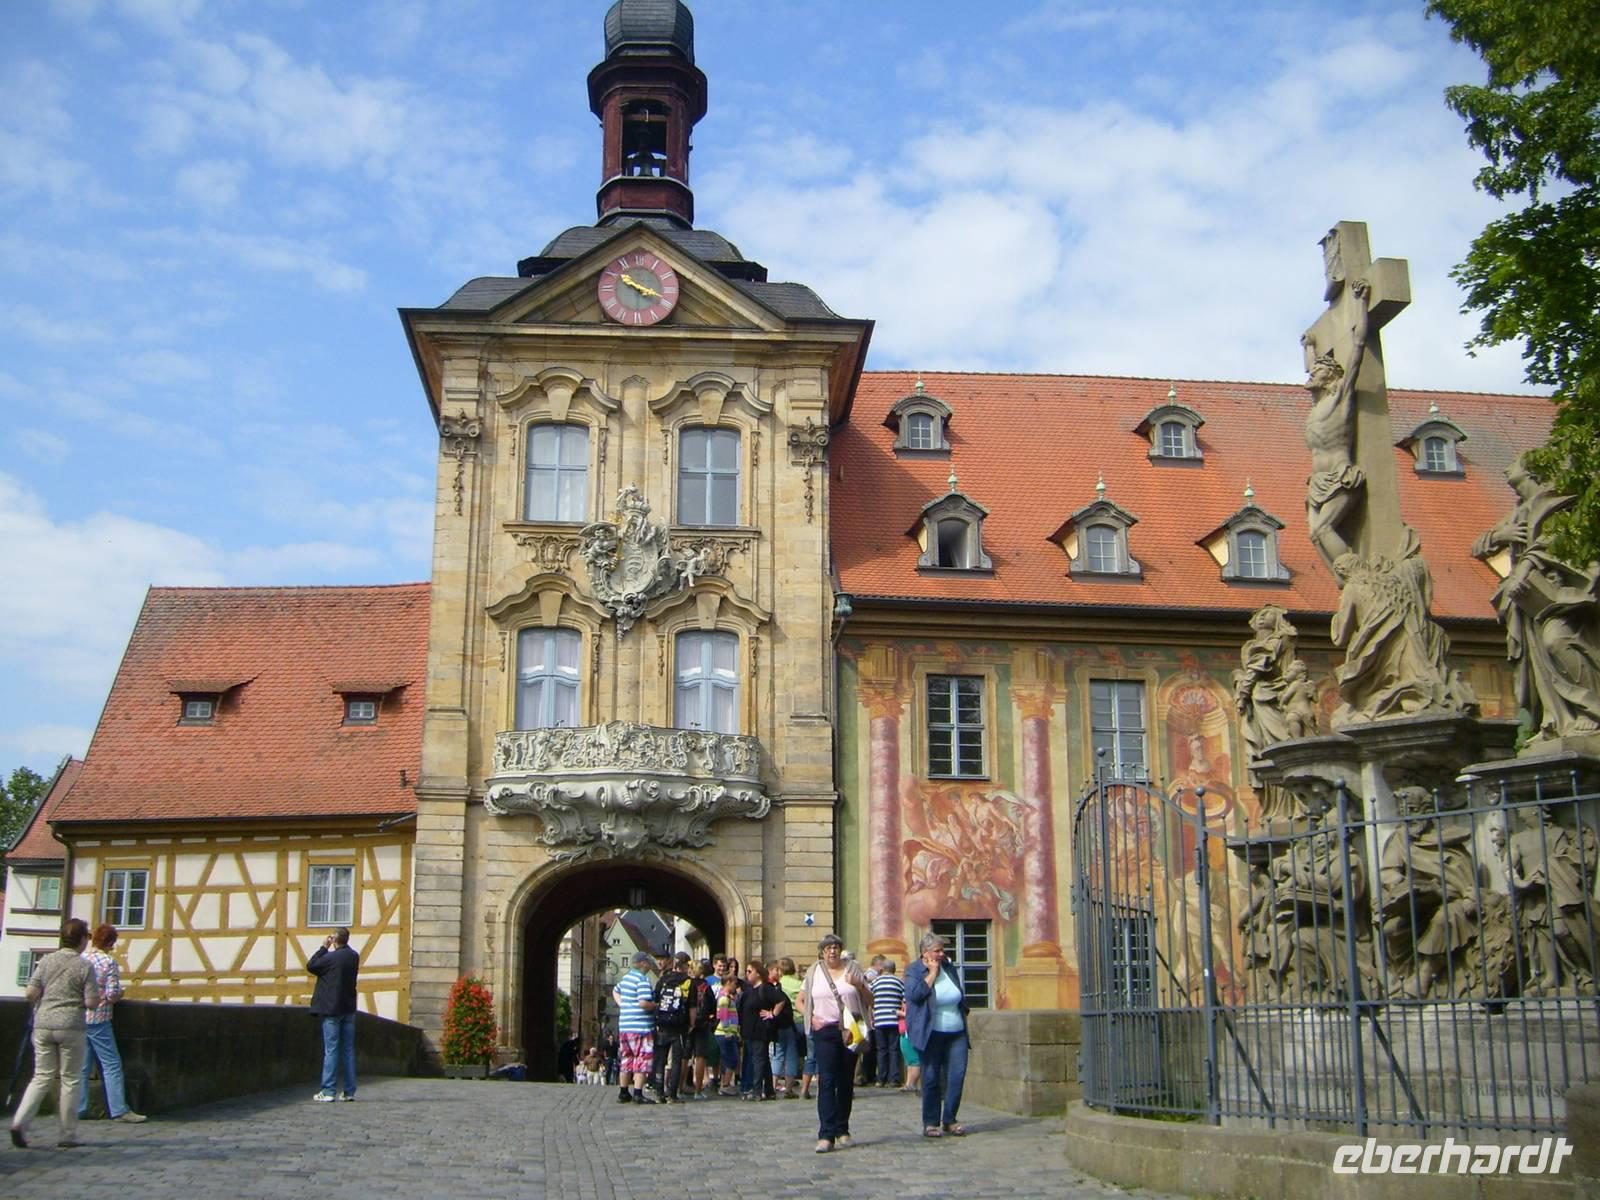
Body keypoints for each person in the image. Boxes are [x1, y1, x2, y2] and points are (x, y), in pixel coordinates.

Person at [10, 917, 98, 1149]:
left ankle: (20, 1122)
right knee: (70, 1079)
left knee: (41, 1076)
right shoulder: (84, 966)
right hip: (70, 1025)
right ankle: (67, 1134)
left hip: (43, 1024)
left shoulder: (47, 960)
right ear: (81, 940)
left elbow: (30, 993)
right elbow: (91, 1002)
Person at [800, 933, 871, 1153]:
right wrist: (811, 1017)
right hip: (825, 1029)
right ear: (822, 951)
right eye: (828, 948)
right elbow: (800, 1001)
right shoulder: (814, 971)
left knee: (846, 1080)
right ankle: (826, 1134)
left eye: (835, 947)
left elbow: (870, 1001)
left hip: (851, 1028)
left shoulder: (853, 968)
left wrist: (859, 985)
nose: (832, 951)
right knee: (827, 1080)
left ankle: (843, 1129)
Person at [904, 931, 971, 1138]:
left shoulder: (949, 968)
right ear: (925, 952)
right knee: (931, 1077)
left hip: (956, 1031)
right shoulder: (914, 971)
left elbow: (958, 993)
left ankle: (950, 1119)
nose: (942, 954)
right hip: (930, 1032)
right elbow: (915, 996)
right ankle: (931, 1122)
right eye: (937, 950)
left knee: (957, 1076)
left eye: (943, 950)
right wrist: (931, 974)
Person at [79, 924, 147, 1123]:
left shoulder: (82, 959)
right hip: (99, 1018)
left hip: (79, 1018)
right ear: (109, 943)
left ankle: (79, 1108)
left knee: (82, 1067)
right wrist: (121, 993)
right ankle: (119, 1109)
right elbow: (112, 994)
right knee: (111, 1065)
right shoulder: (108, 962)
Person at [307, 926, 360, 1102]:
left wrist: (324, 947)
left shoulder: (330, 958)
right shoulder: (353, 956)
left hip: (331, 1009)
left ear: (335, 940)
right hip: (349, 1008)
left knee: (331, 1050)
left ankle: (328, 1090)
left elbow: (311, 965)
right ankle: (349, 1090)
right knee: (348, 1050)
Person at [613, 950, 658, 1104]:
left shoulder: (625, 979)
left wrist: (623, 1005)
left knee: (626, 1059)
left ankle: (623, 1092)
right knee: (642, 1059)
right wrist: (656, 1005)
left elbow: (615, 991)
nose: (651, 965)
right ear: (643, 963)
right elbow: (643, 1003)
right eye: (649, 962)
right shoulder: (642, 980)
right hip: (641, 1027)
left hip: (625, 1026)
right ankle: (638, 1093)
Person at [652, 951, 694, 1102]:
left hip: (662, 1024)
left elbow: (655, 1000)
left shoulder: (663, 979)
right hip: (679, 1026)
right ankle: (672, 1094)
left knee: (661, 1060)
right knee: (676, 1061)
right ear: (685, 966)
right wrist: (691, 1024)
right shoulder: (688, 982)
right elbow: (692, 1007)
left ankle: (658, 1093)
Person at [736, 960, 775, 1099]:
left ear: (758, 973)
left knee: (758, 1060)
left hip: (760, 1029)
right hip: (748, 1030)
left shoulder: (765, 988)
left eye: (749, 971)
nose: (746, 974)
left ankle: (757, 1090)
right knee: (762, 1059)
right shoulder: (748, 990)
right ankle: (769, 1090)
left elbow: (781, 1000)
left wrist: (772, 1014)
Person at [770, 957, 803, 1098]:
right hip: (797, 1022)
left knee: (777, 1055)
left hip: (778, 1023)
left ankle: (772, 1085)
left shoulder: (778, 985)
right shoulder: (800, 984)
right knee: (792, 1055)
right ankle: (789, 1088)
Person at [870, 958, 905, 1088]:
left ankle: (881, 1079)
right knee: (894, 1050)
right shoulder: (899, 982)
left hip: (879, 1020)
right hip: (894, 1020)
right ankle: (894, 1078)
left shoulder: (876, 982)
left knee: (881, 1050)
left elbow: (869, 997)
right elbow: (905, 999)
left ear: (882, 969)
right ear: (894, 970)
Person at [713, 962, 742, 1096]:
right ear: (729, 982)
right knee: (732, 1059)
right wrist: (727, 1032)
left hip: (729, 1032)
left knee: (728, 1058)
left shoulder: (727, 997)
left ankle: (724, 1083)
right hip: (725, 1033)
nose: (736, 986)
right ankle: (725, 1084)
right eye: (734, 983)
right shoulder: (724, 999)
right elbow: (723, 1016)